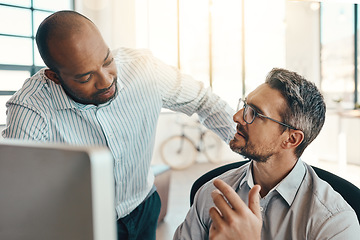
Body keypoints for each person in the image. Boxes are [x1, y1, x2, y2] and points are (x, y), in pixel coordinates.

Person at [1, 10, 236, 240]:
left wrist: (253, 145)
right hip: (81, 223)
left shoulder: (144, 69)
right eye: (85, 77)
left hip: (143, 204)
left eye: (107, 61)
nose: (106, 80)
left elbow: (205, 101)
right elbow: (17, 191)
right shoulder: (31, 107)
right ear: (53, 76)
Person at [173, 68, 360, 240]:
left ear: (291, 139)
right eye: (245, 105)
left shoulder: (334, 223)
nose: (237, 117)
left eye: (254, 113)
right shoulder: (210, 195)